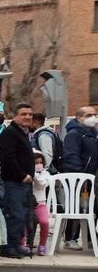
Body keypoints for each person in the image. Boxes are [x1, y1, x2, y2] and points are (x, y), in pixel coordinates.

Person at [0, 103, 36, 259]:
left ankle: (15, 245)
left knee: (22, 215)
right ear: (14, 116)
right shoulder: (10, 133)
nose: (27, 117)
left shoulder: (22, 133)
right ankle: (8, 247)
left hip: (24, 183)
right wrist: (22, 175)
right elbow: (8, 158)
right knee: (14, 215)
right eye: (23, 114)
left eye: (30, 114)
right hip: (14, 182)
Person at [61, 106, 98, 250]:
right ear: (79, 118)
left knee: (92, 208)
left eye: (94, 114)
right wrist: (79, 175)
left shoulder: (94, 134)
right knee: (77, 207)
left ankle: (89, 238)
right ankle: (71, 238)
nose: (93, 117)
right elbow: (71, 156)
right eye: (89, 115)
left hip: (93, 178)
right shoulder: (74, 134)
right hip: (80, 178)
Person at [31, 153, 52, 256]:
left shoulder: (46, 174)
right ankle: (25, 244)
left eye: (40, 162)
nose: (39, 165)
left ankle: (42, 244)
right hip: (28, 203)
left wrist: (35, 175)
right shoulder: (27, 173)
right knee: (25, 223)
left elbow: (41, 184)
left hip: (40, 203)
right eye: (36, 163)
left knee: (44, 222)